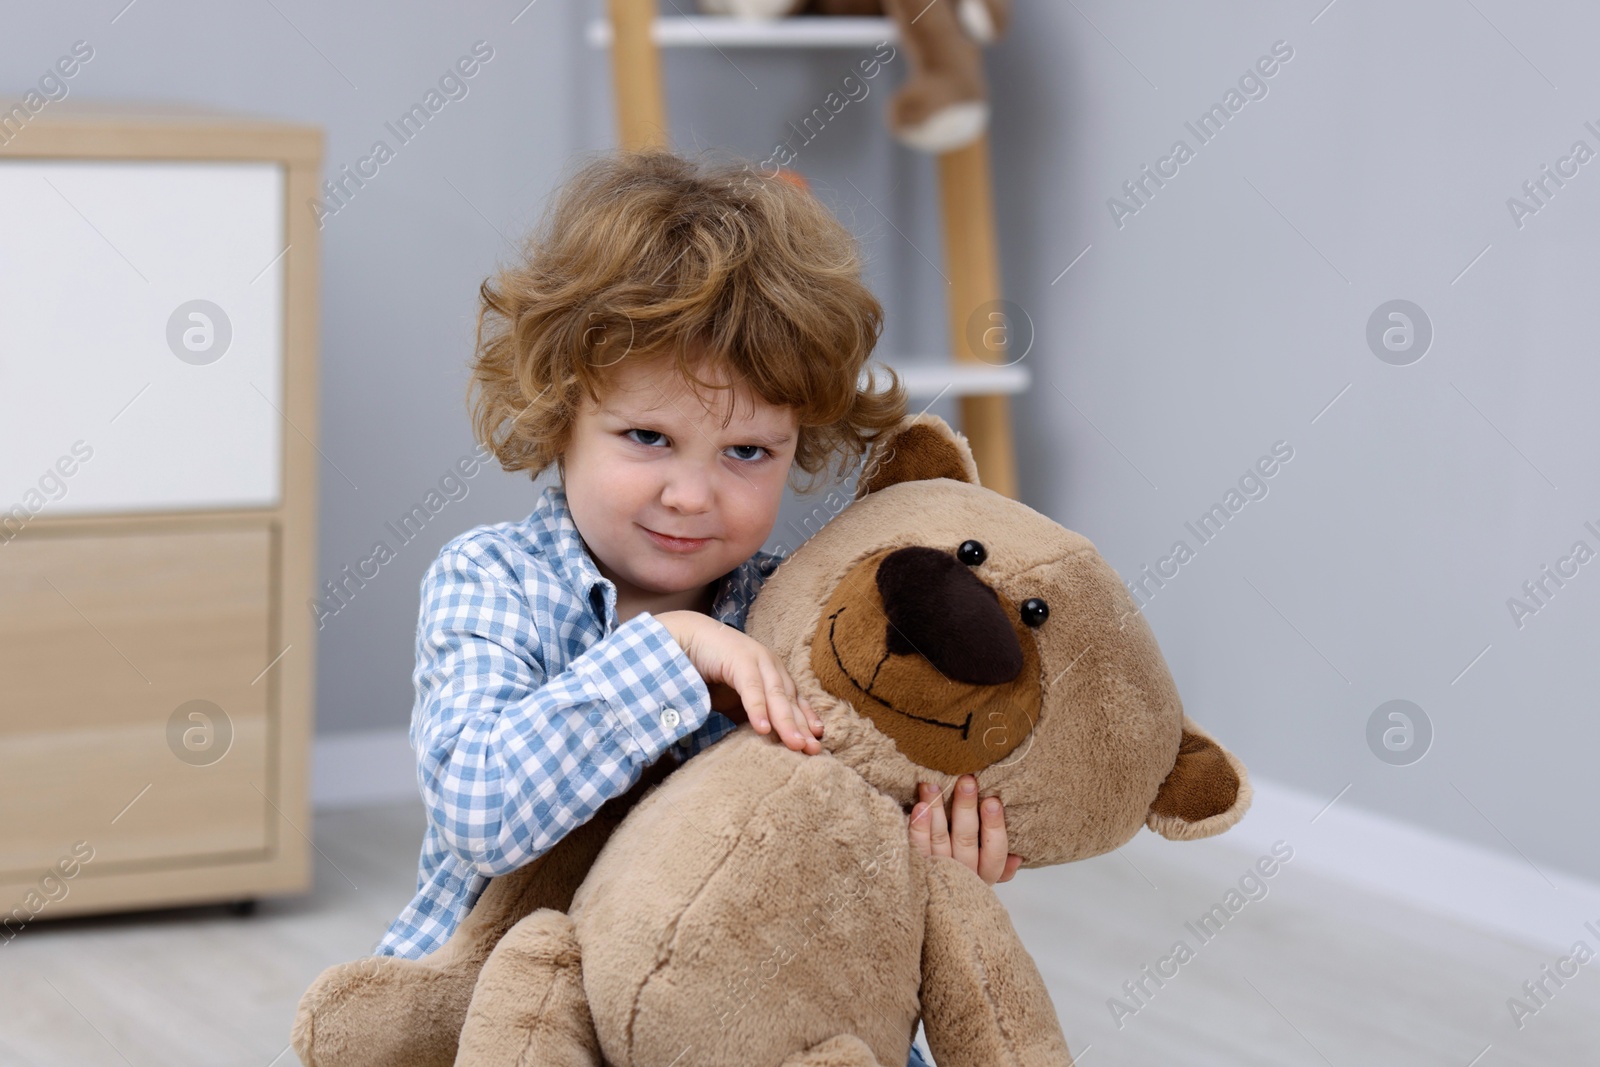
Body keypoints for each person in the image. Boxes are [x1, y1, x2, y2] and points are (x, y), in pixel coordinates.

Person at [374, 148, 1020, 1064]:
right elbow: (481, 812)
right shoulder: (492, 580)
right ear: (560, 414)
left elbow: (842, 846)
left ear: (799, 443)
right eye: (648, 437)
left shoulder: (809, 616)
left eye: (747, 452)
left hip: (726, 1019)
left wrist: (941, 862)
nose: (691, 494)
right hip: (514, 1018)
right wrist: (669, 653)